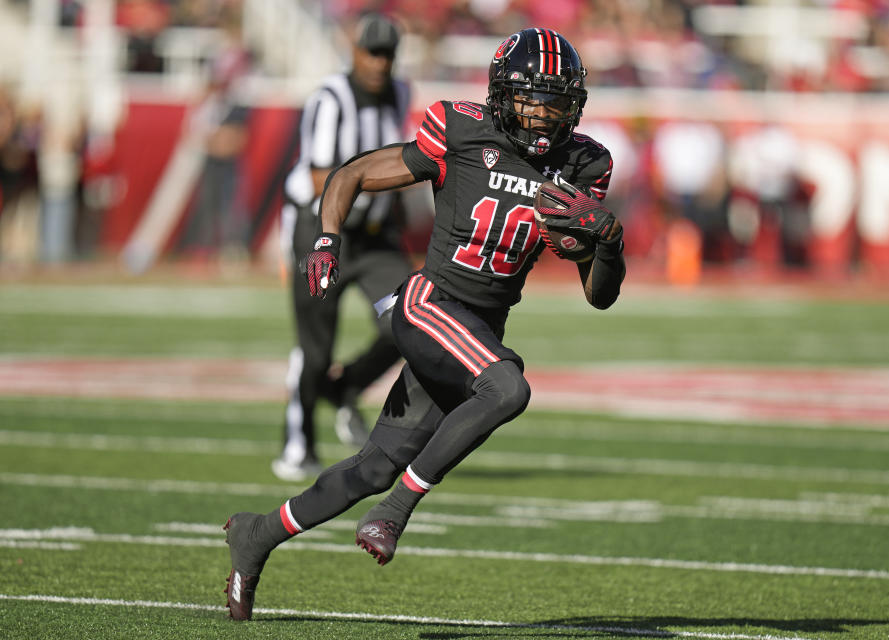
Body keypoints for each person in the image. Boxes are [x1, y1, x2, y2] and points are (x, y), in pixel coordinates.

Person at [222, 27, 624, 620]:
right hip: (428, 305)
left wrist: (608, 243)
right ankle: (397, 511)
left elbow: (601, 296)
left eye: (556, 102)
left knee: (373, 466)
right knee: (507, 387)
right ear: (502, 96)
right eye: (532, 99)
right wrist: (327, 238)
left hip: (478, 332)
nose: (543, 116)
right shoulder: (462, 132)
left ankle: (256, 535)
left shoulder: (585, 164)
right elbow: (350, 174)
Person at [272, 13, 413, 481]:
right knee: (315, 348)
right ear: (353, 52)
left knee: (414, 318)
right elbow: (321, 176)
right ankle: (298, 442)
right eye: (371, 52)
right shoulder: (331, 98)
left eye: (386, 53)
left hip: (374, 237)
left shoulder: (400, 91)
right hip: (322, 231)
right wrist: (379, 182)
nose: (378, 62)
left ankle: (348, 384)